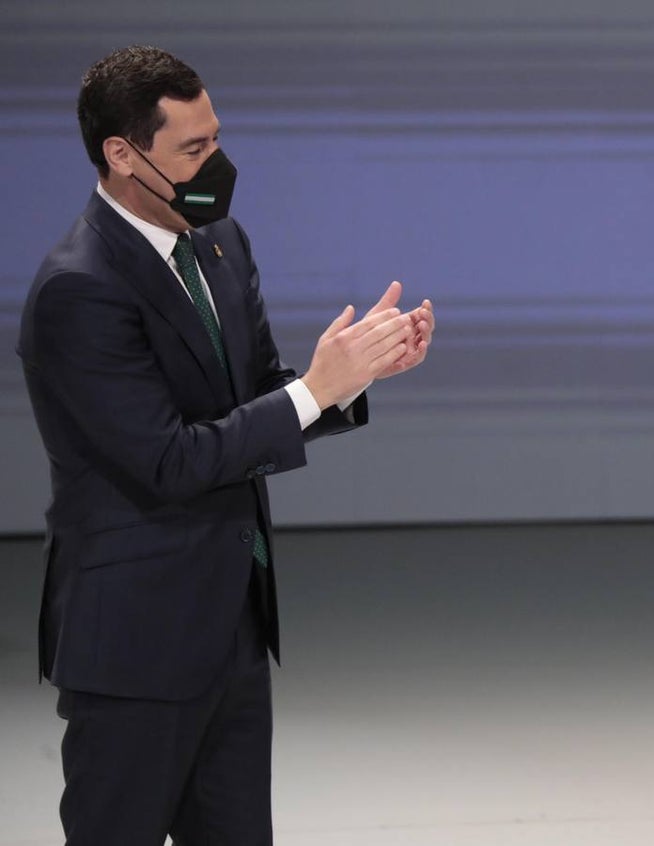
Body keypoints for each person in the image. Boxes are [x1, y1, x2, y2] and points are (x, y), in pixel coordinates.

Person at [17, 45, 434, 845]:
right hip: (133, 647)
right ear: (121, 155)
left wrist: (352, 377)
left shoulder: (221, 241)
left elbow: (258, 390)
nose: (218, 164)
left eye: (217, 138)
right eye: (194, 148)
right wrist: (315, 388)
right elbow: (169, 460)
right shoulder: (79, 288)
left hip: (231, 630)